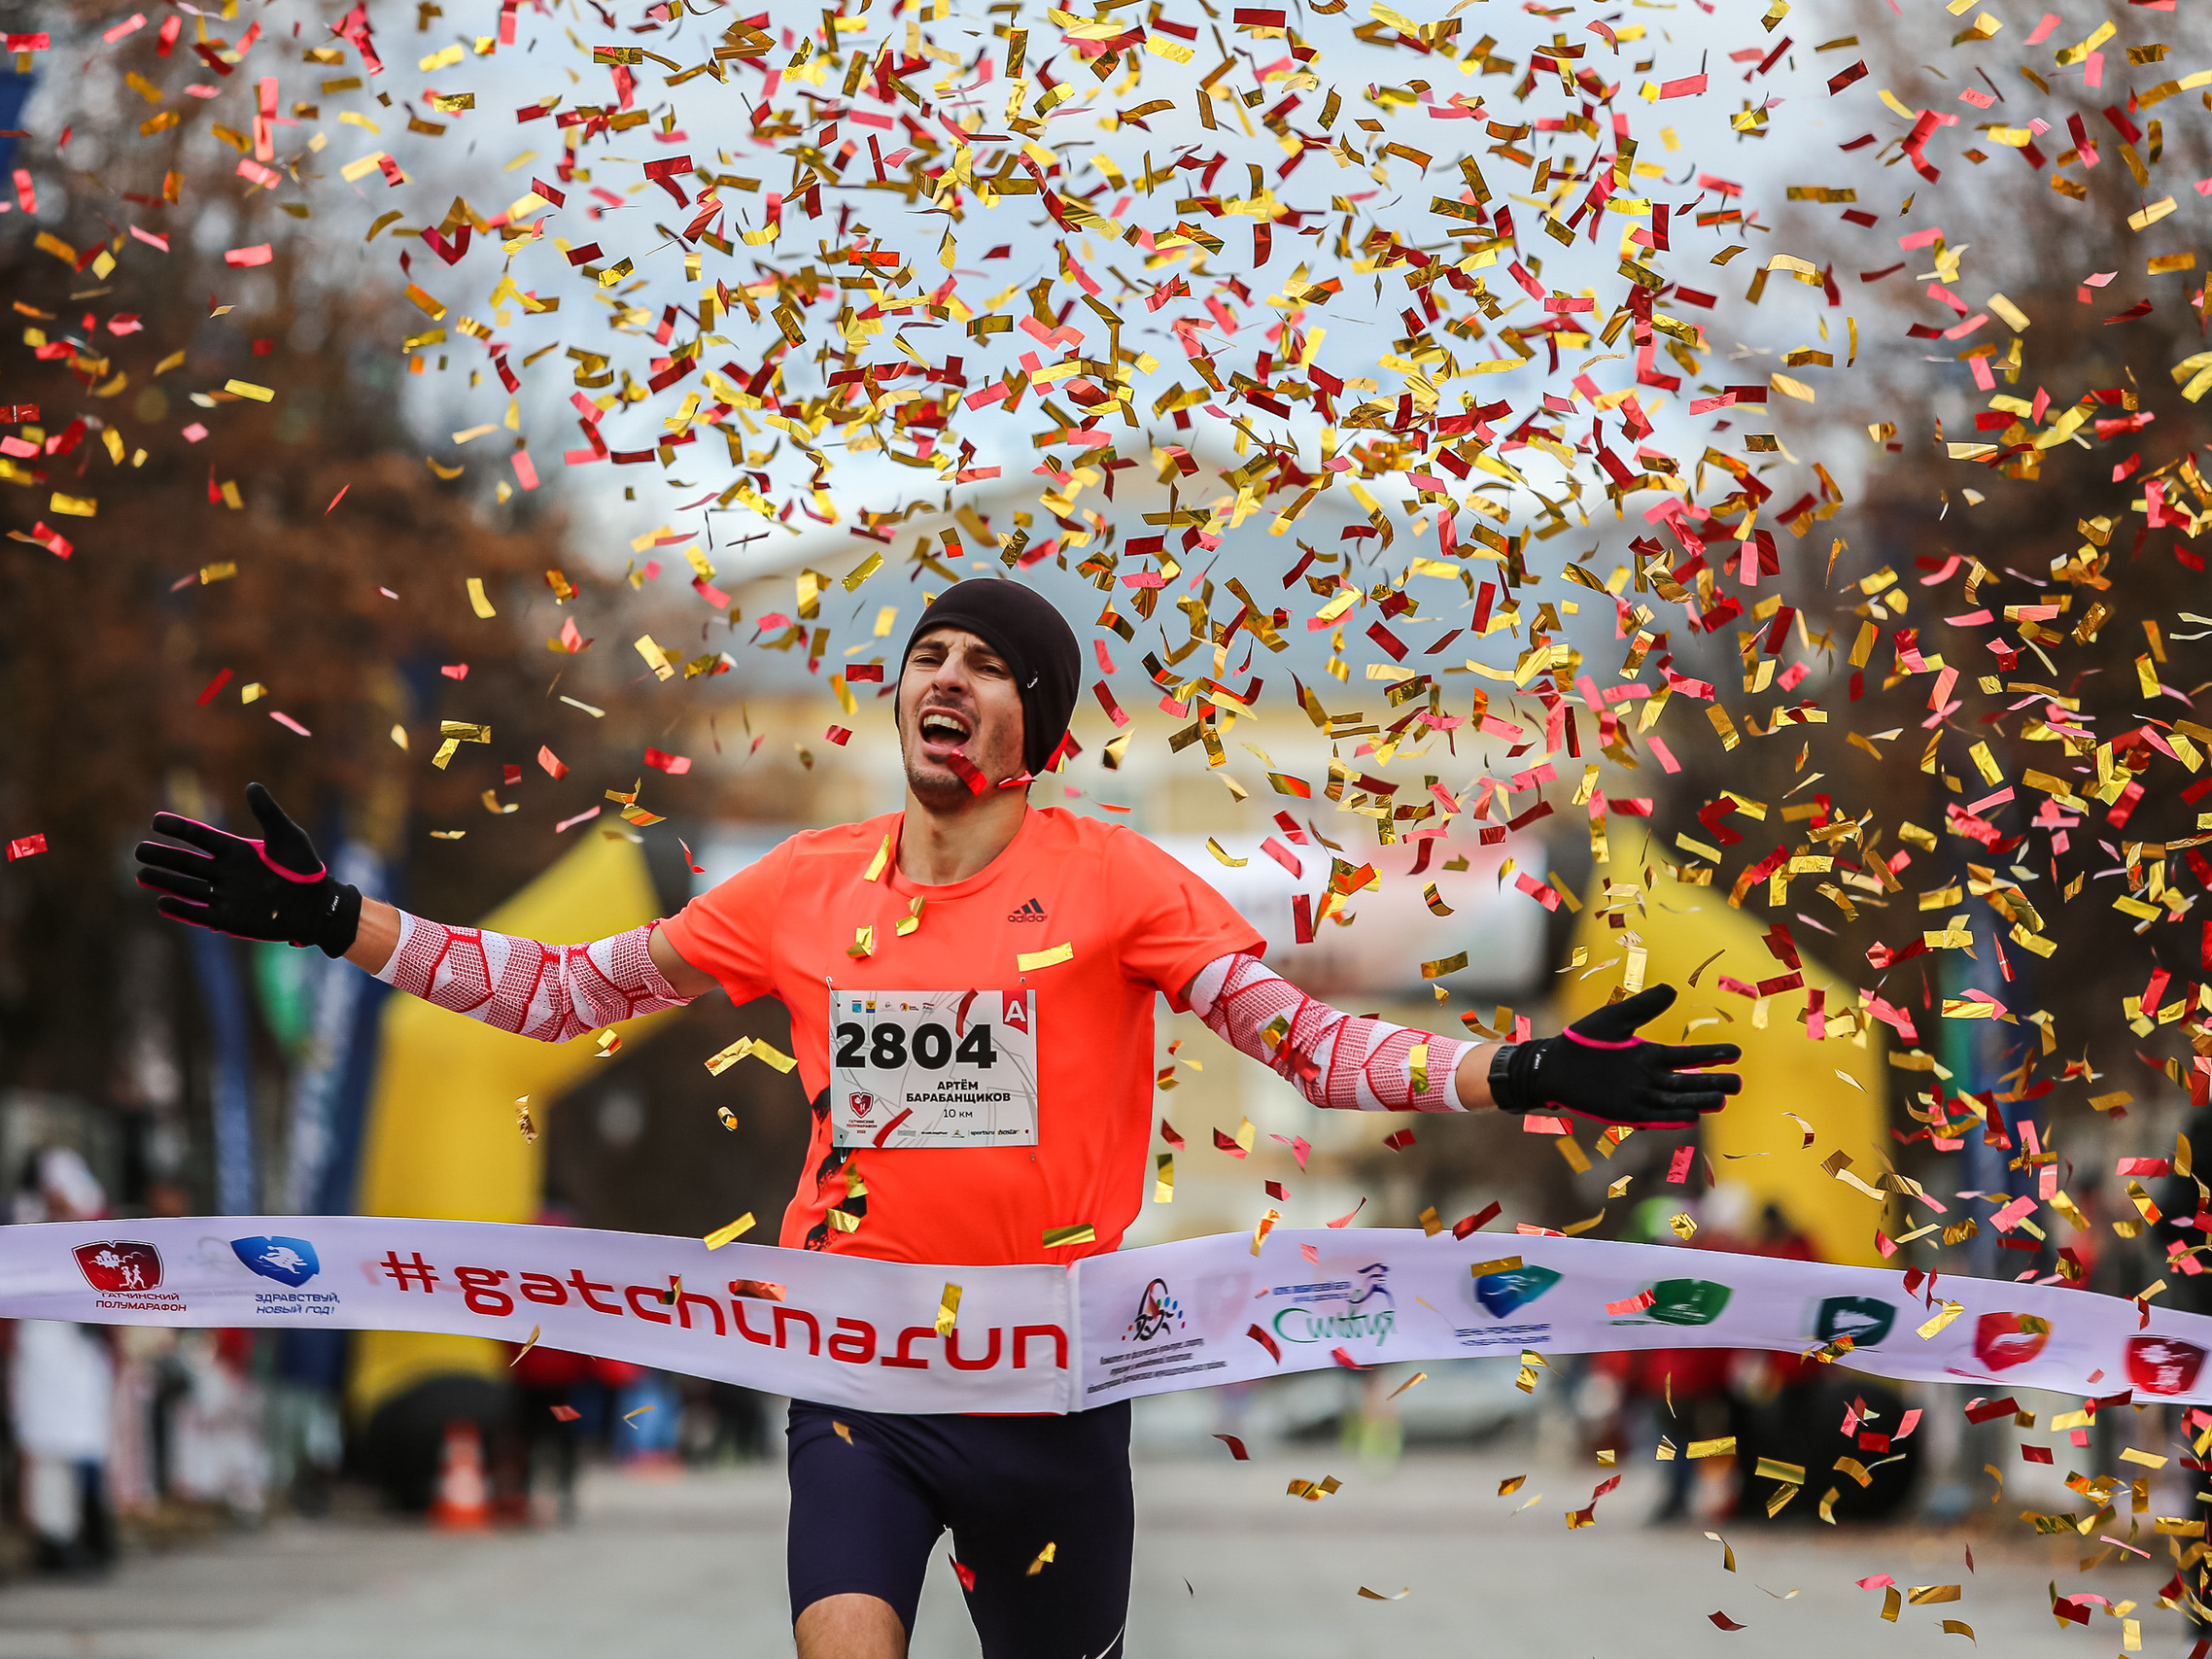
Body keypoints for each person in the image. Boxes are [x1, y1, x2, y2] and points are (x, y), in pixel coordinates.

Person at [136, 578, 1742, 1659]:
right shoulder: (802, 889)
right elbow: (560, 990)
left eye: (984, 667)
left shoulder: (1119, 881)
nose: (945, 679)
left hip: (1053, 1378)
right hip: (857, 1366)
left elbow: (1304, 1041)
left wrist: (1514, 1073)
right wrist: (339, 923)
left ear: (1031, 729)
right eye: (928, 658)